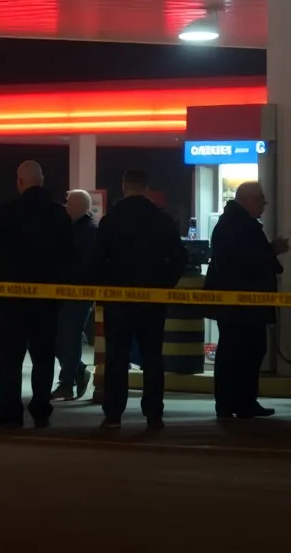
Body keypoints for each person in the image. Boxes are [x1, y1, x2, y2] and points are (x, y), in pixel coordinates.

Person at [93, 169, 187, 430]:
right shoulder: (162, 220)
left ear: (124, 186)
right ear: (146, 187)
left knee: (116, 358)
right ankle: (154, 413)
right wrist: (164, 284)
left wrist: (107, 288)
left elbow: (98, 260)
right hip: (153, 301)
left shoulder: (111, 220)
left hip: (118, 300)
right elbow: (179, 258)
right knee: (152, 358)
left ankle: (113, 413)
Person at [0, 161, 71, 429]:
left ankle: (10, 410)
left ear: (20, 182)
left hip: (12, 300)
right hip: (47, 300)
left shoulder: (9, 211)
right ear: (41, 181)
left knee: (9, 358)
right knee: (43, 357)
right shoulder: (58, 213)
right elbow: (69, 252)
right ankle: (41, 410)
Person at [206, 182, 285, 419]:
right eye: (260, 198)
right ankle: (241, 402)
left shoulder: (233, 223)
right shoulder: (240, 226)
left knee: (238, 352)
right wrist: (272, 251)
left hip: (238, 304)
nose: (264, 203)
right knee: (244, 352)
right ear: (247, 200)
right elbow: (246, 261)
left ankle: (235, 402)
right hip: (243, 305)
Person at [51, 188, 98, 401]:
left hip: (78, 292)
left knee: (68, 336)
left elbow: (83, 264)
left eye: (69, 202)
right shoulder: (73, 229)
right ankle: (75, 372)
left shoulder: (89, 230)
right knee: (62, 337)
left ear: (80, 205)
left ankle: (68, 382)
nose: (65, 205)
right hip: (65, 291)